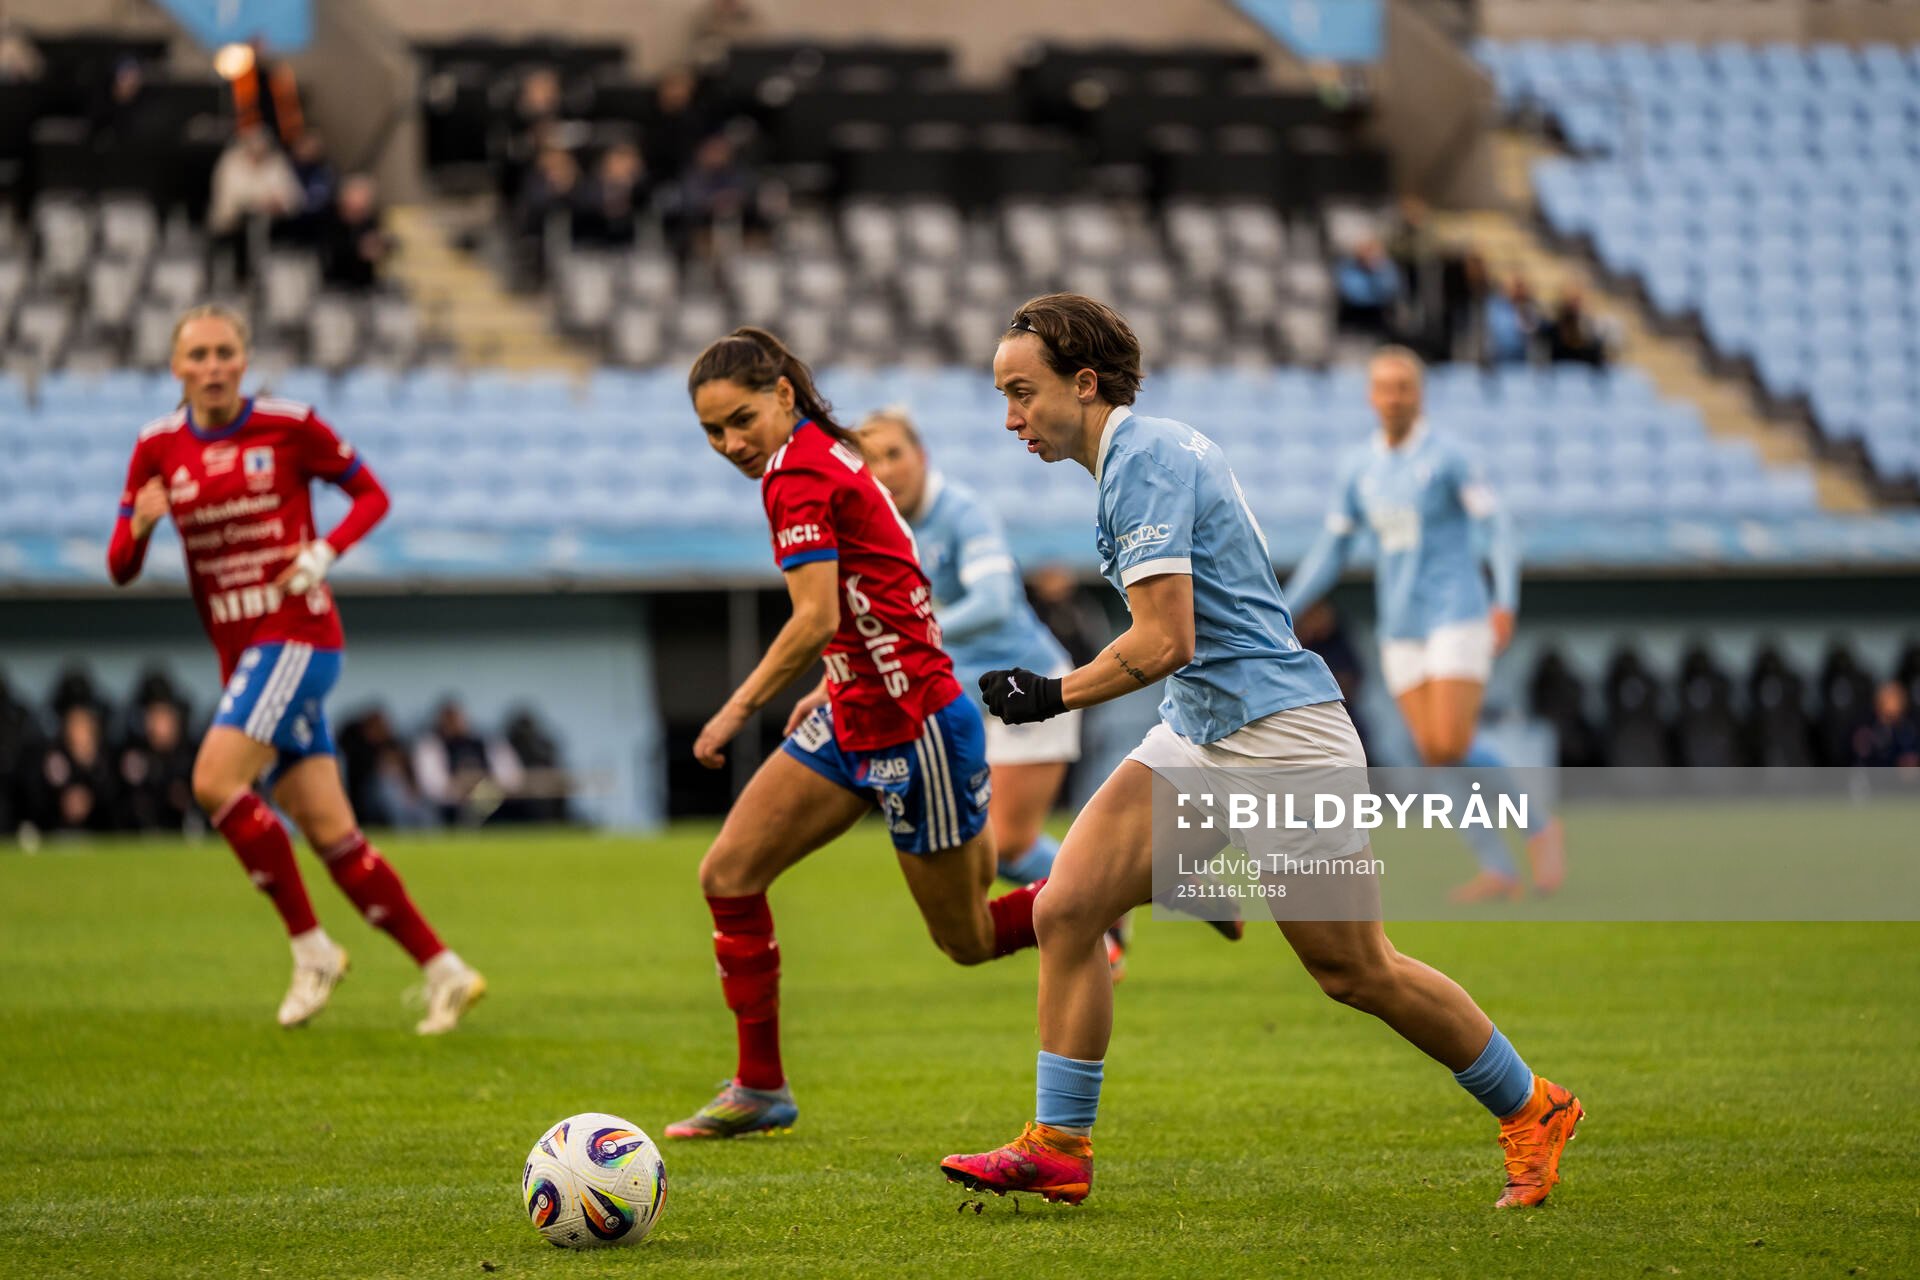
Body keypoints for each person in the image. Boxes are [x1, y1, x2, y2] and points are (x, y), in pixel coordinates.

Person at [939, 294, 1581, 1210]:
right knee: (1069, 907)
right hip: (1202, 730)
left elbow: (1167, 641)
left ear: (1084, 384)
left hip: (1282, 739)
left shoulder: (1145, 459)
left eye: (1021, 392)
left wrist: (1051, 694)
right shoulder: (1137, 455)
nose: (1009, 418)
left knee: (1354, 970)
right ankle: (1059, 1145)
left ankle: (1534, 1105)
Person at [666, 327, 1047, 1140]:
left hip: (916, 727)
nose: (730, 444)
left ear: (781, 396)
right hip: (852, 713)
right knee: (729, 875)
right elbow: (881, 592)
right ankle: (761, 1086)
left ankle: (1138, 876)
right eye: (711, 432)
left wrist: (738, 708)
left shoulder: (799, 474)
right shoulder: (811, 455)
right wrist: (834, 681)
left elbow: (817, 617)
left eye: (740, 421)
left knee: (972, 939)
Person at [105, 304, 484, 1033]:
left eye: (225, 352)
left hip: (297, 635)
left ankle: (311, 949)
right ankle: (447, 971)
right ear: (176, 368)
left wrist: (323, 551)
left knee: (214, 779)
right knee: (328, 829)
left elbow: (372, 493)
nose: (213, 367)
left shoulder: (288, 424)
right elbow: (120, 566)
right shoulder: (155, 447)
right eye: (198, 355)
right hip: (241, 651)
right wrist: (142, 524)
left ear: (244, 361)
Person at [1286, 347, 1566, 901]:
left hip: (1458, 615)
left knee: (1450, 740)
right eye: (1384, 387)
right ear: (1371, 396)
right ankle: (1499, 870)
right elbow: (1332, 549)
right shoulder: (1359, 469)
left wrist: (1503, 599)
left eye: (1404, 388)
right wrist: (1284, 607)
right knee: (1436, 752)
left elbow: (1499, 529)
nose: (1393, 397)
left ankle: (1538, 827)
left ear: (1420, 395)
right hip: (1401, 627)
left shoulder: (1450, 458)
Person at [857, 409, 1125, 971]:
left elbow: (996, 601)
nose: (884, 469)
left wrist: (913, 630)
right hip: (967, 705)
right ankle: (1120, 900)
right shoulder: (880, 525)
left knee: (1006, 846)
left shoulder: (960, 512)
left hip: (1028, 692)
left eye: (894, 453)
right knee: (987, 847)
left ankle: (1132, 893)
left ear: (921, 455)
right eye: (870, 459)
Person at [1852, 680, 1920, 768]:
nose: (1891, 701)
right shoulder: (1865, 732)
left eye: (1895, 697)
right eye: (1888, 697)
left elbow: (1911, 760)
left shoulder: (1910, 731)